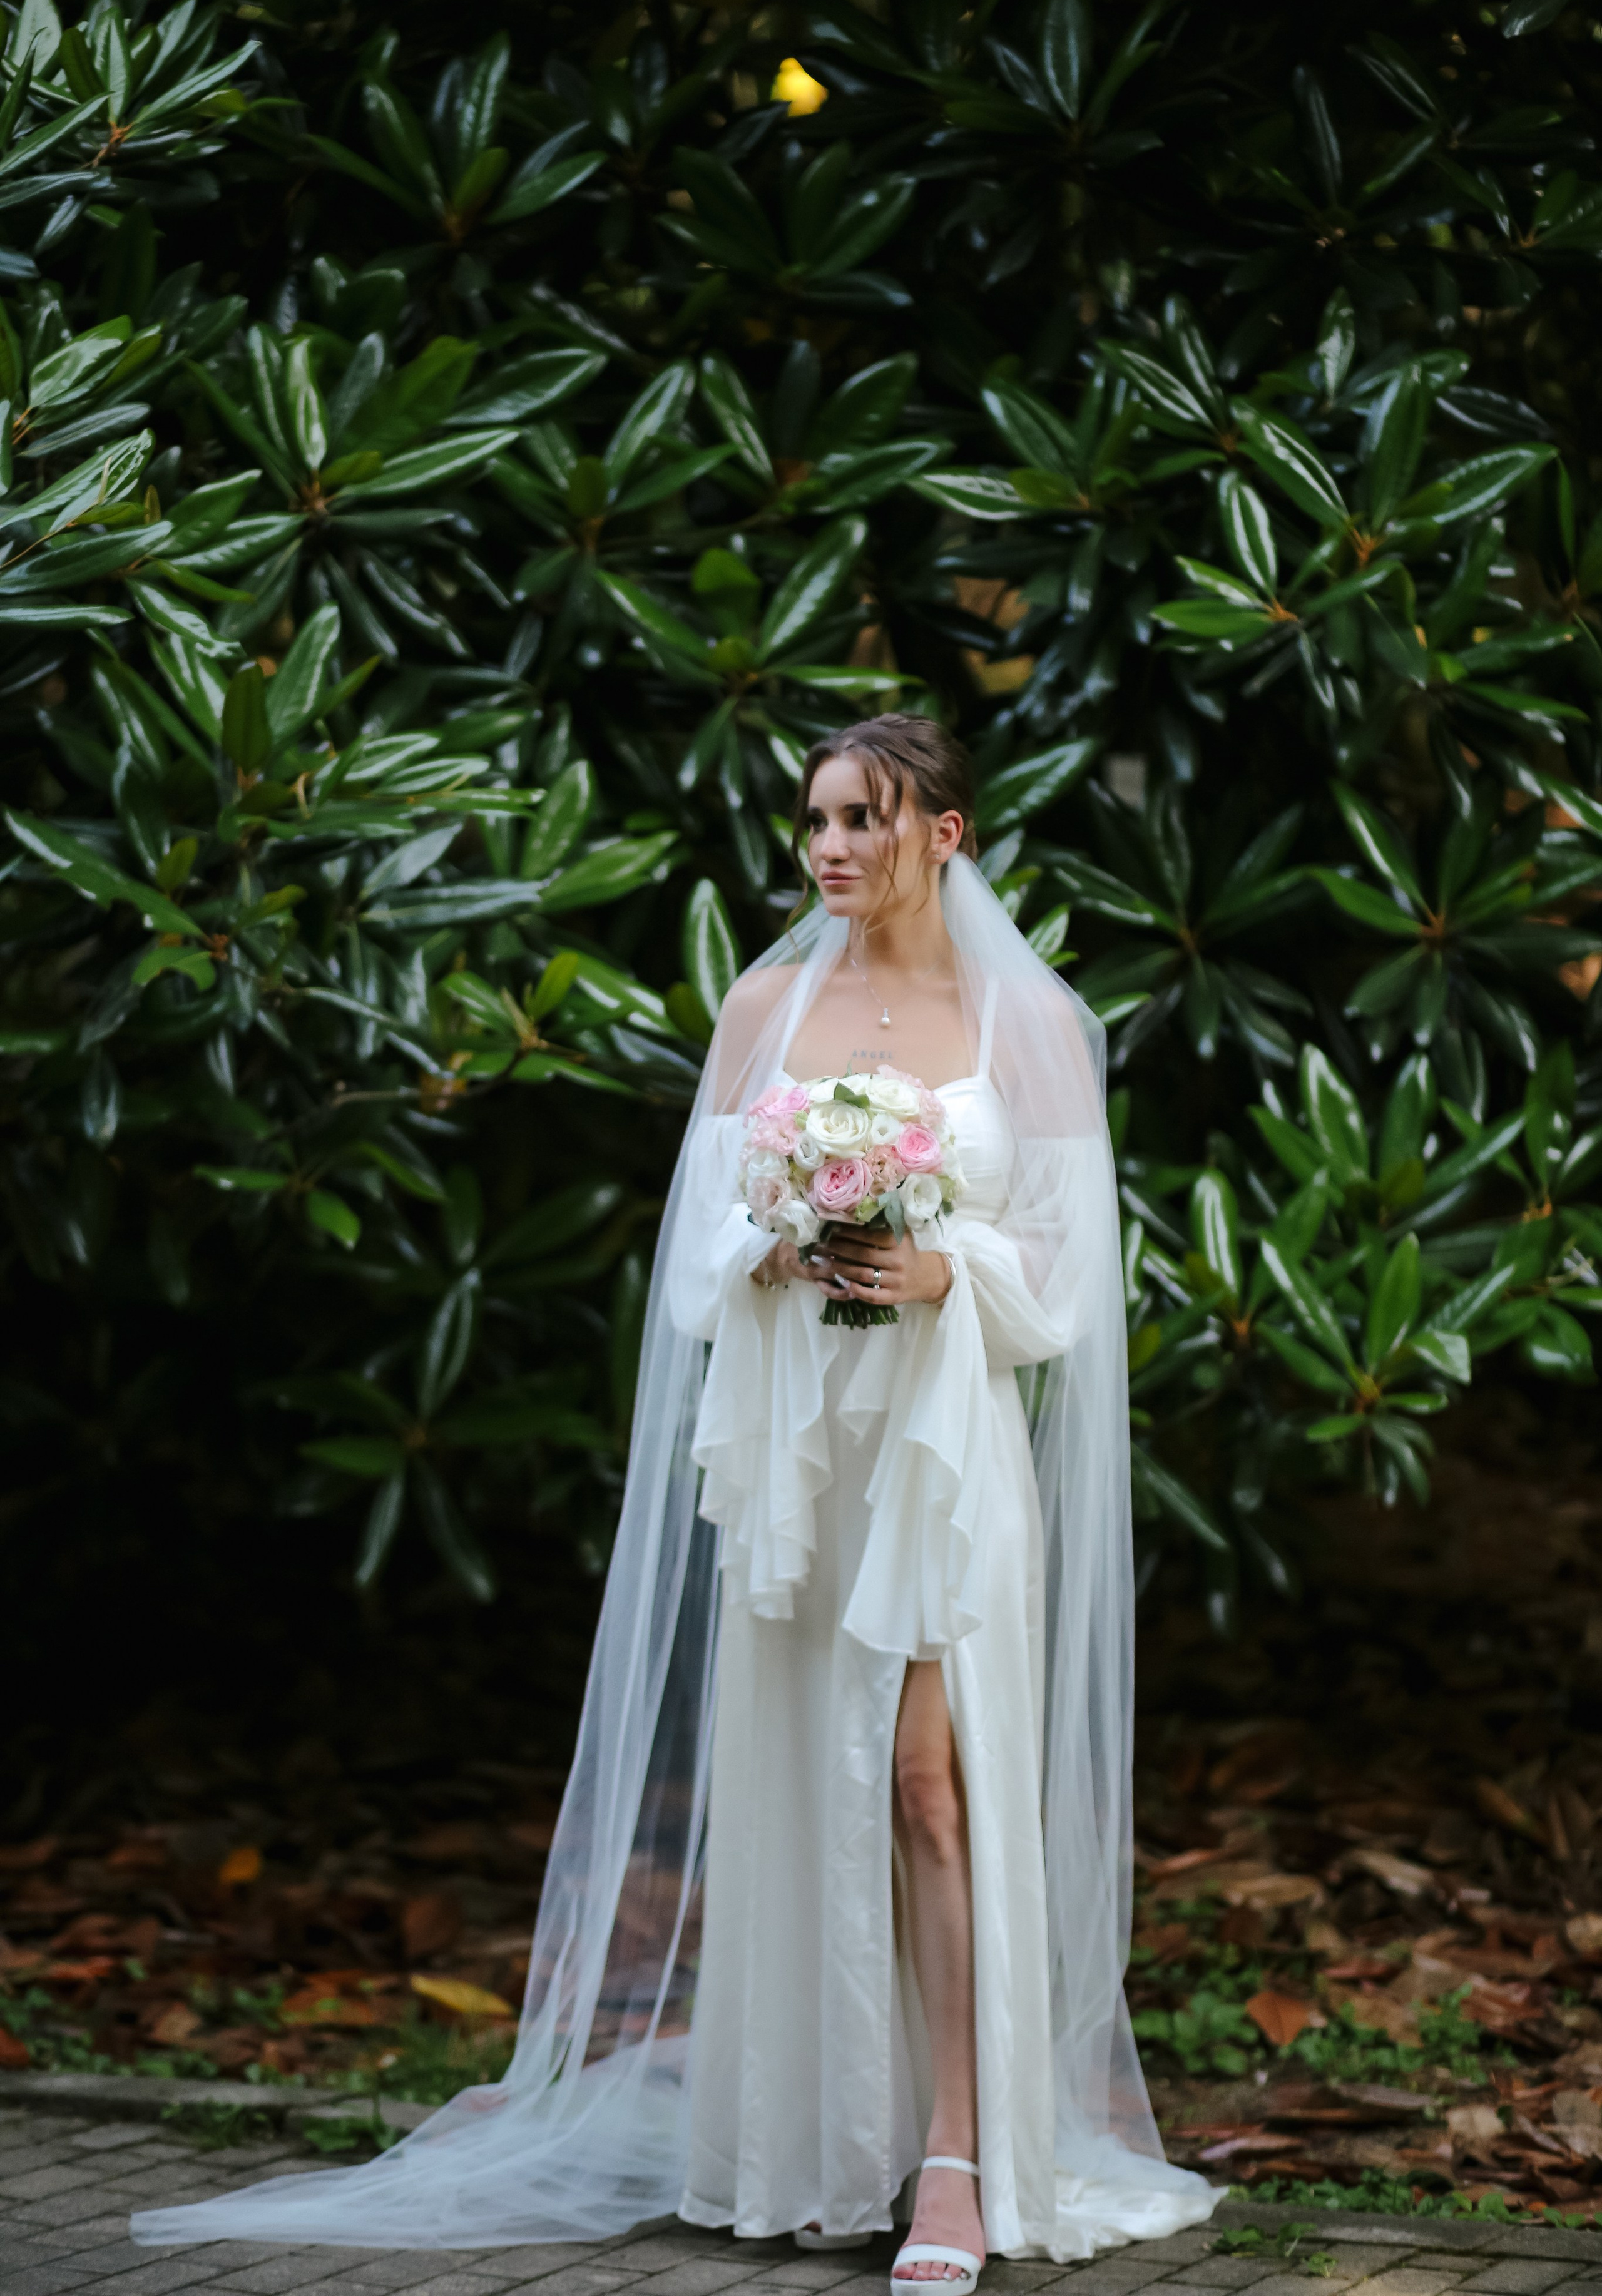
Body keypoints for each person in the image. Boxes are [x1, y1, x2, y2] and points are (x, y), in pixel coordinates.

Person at [132, 715, 1221, 2269]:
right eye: (814, 820)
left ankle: (957, 2159)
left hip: (940, 1452)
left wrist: (945, 1269)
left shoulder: (1026, 1021)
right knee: (811, 1782)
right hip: (798, 1454)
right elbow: (701, 1247)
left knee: (929, 1783)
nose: (828, 848)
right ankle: (825, 2140)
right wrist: (781, 1236)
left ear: (944, 835)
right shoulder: (765, 1005)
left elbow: (1068, 1271)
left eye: (861, 819)